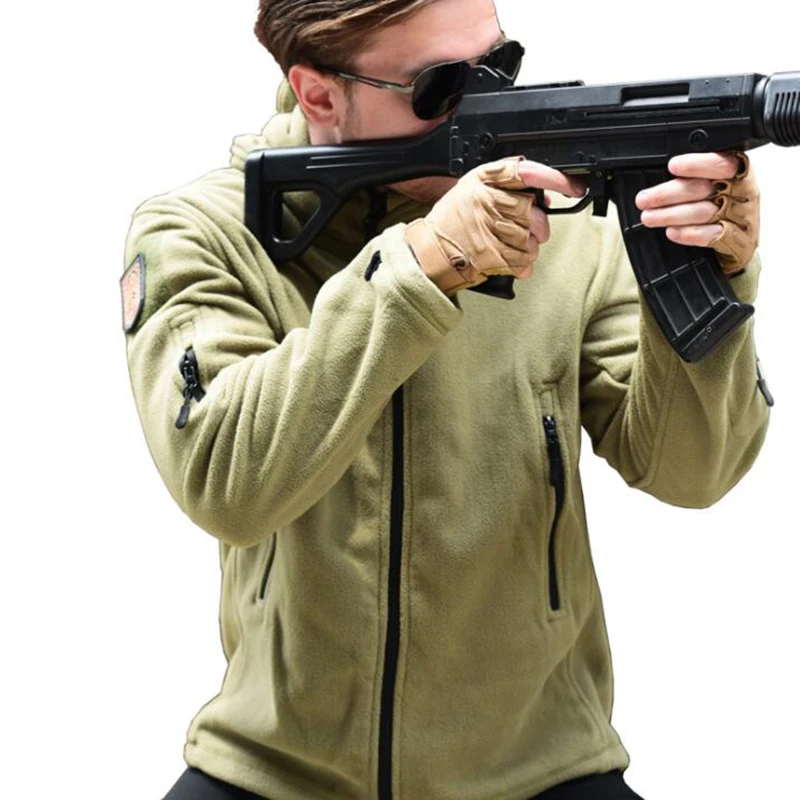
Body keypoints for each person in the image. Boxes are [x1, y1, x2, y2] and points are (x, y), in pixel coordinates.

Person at [120, 0, 770, 798]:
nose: (487, 100)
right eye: (441, 86)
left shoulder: (569, 230)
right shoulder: (203, 232)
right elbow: (225, 481)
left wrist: (714, 270)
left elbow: (693, 473)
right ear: (318, 93)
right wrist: (421, 267)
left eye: (500, 64)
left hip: (542, 766)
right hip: (276, 768)